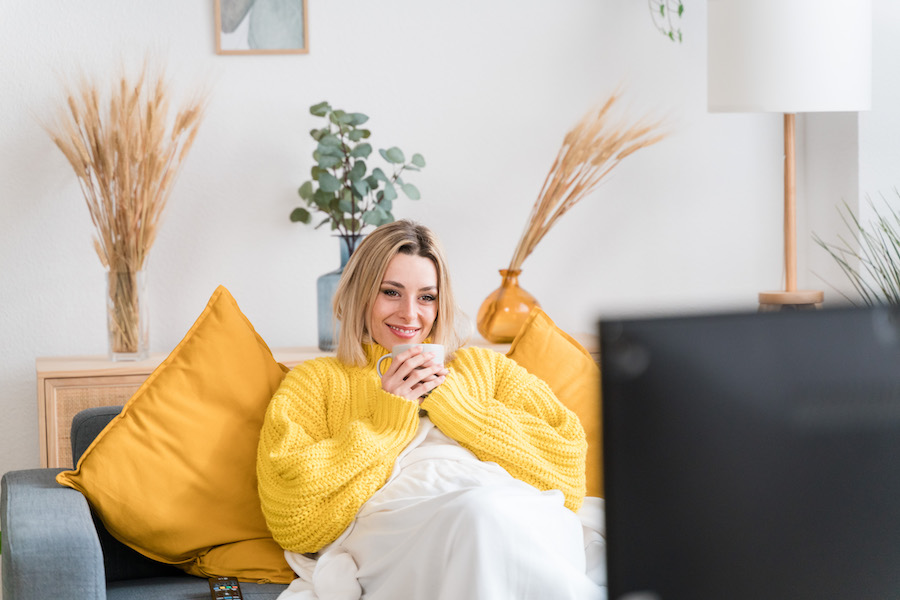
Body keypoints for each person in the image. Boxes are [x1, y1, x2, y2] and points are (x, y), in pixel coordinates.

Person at [257, 220, 603, 599]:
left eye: (426, 297)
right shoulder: (318, 380)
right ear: (360, 294)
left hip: (510, 508)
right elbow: (291, 515)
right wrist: (388, 421)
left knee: (484, 512)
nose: (409, 314)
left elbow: (567, 470)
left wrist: (456, 405)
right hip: (400, 528)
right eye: (391, 292)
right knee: (476, 516)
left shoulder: (486, 368)